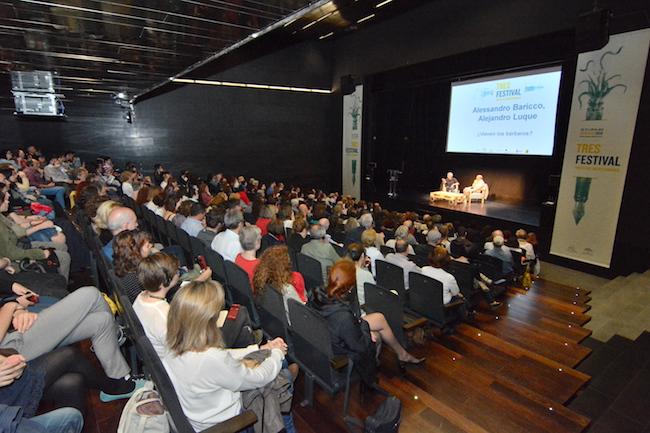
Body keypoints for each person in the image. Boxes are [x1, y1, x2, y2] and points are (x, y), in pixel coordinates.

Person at [163, 280, 287, 432]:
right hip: (227, 421)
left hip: (200, 414)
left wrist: (260, 348)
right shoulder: (211, 358)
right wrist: (277, 353)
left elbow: (223, 355)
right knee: (282, 377)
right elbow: (259, 377)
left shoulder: (172, 345)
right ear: (206, 321)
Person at [0, 285, 144, 402]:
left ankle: (119, 377)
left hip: (10, 331)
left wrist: (17, 311)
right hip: (10, 348)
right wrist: (11, 305)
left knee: (102, 321)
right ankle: (117, 335)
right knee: (90, 294)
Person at [310, 260, 423, 385]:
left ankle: (402, 354)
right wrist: (367, 331)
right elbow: (360, 346)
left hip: (327, 334)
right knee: (377, 336)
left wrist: (358, 322)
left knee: (379, 318)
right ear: (350, 287)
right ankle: (369, 377)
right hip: (337, 347)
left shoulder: (316, 292)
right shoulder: (343, 316)